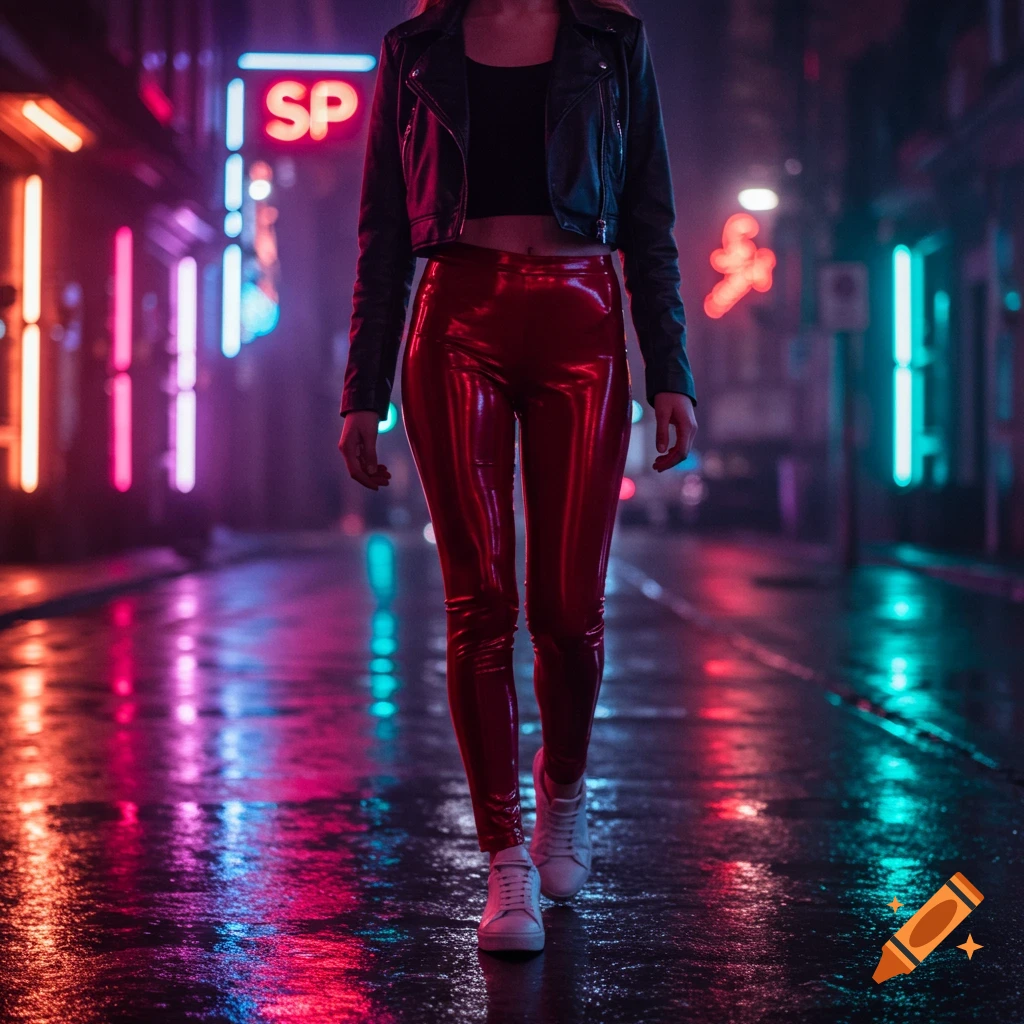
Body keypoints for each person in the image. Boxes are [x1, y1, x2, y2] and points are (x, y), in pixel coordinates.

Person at [338, 0, 697, 954]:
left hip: (584, 319)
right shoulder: (414, 49)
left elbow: (651, 212)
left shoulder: (612, 40)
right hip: (454, 319)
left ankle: (563, 790)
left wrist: (670, 372)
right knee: (480, 603)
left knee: (569, 613)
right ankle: (504, 867)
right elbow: (380, 227)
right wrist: (361, 391)